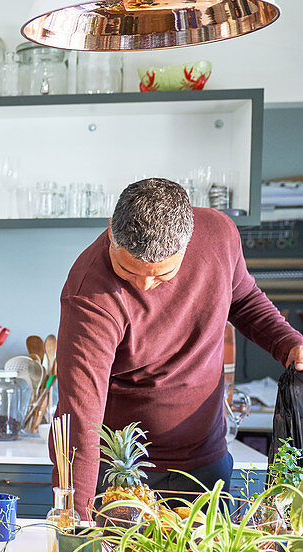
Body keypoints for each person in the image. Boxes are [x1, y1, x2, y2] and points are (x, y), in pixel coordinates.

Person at [53, 178, 303, 516]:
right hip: (122, 478)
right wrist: (74, 524)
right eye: (128, 270)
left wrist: (289, 343)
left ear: (189, 244)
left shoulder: (219, 236)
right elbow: (79, 420)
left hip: (205, 463)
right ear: (112, 231)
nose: (143, 285)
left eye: (161, 276)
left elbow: (242, 299)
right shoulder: (90, 296)